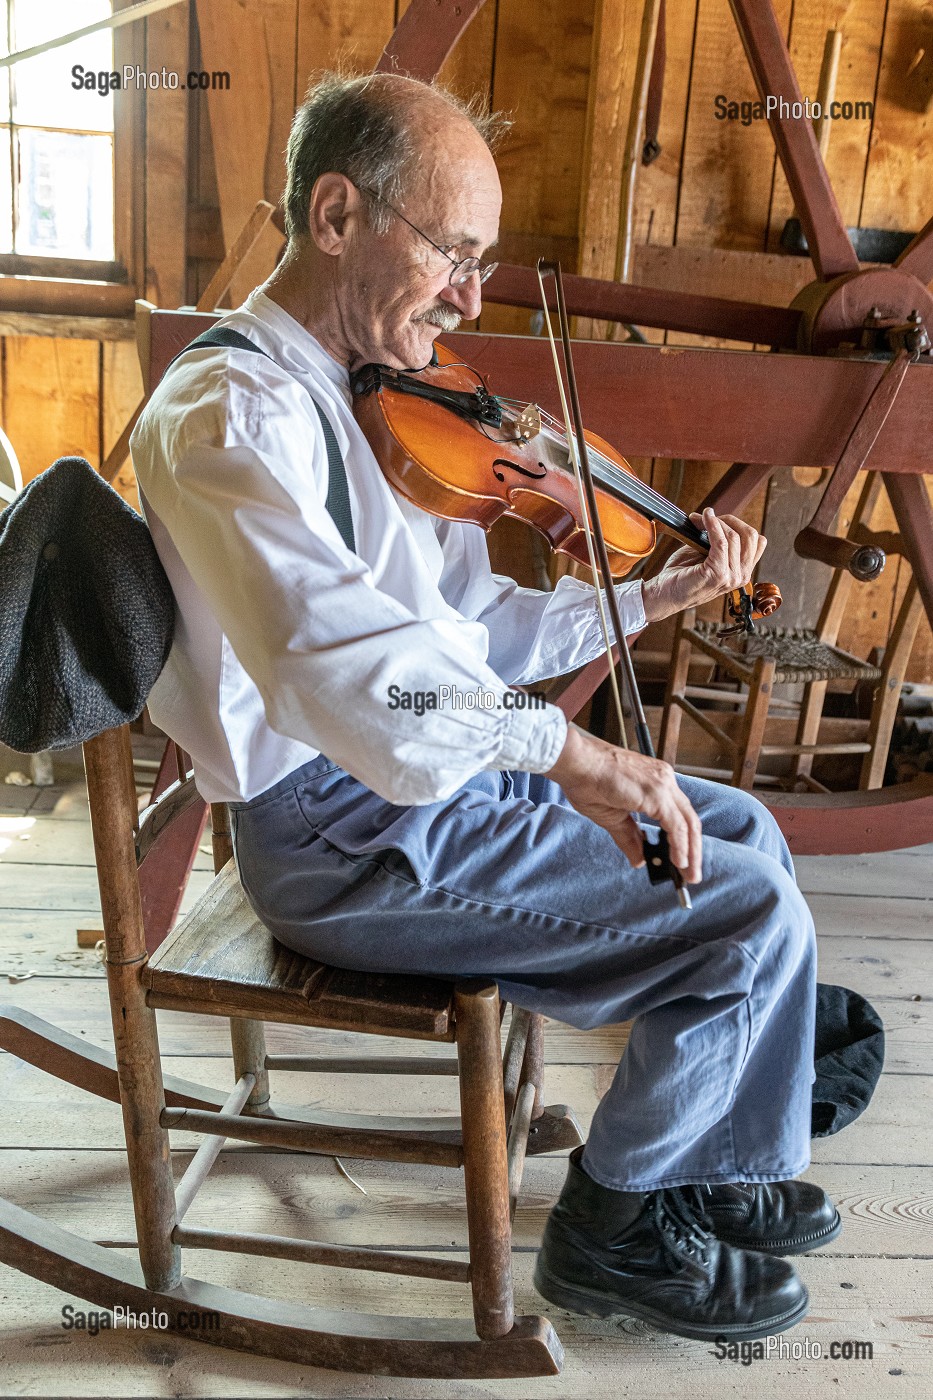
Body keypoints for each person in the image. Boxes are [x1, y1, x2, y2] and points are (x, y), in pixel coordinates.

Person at [130, 70, 840, 1344]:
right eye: (454, 251)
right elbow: (344, 675)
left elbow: (474, 632)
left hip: (416, 781)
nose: (471, 293)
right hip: (341, 834)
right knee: (739, 912)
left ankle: (716, 1152)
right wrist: (571, 753)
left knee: (745, 833)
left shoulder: (369, 399)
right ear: (337, 215)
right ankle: (616, 1225)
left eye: (482, 260)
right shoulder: (231, 415)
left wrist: (654, 592)